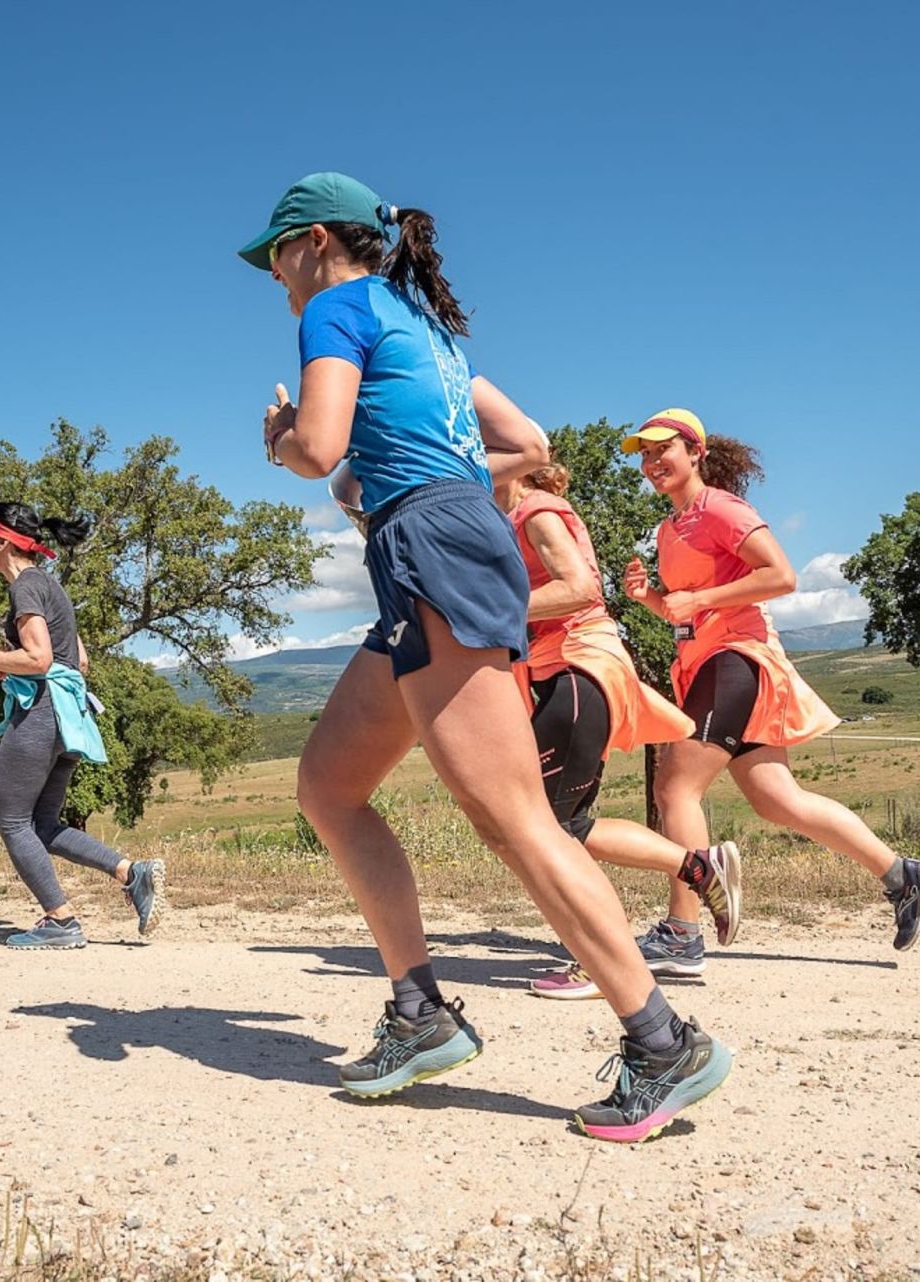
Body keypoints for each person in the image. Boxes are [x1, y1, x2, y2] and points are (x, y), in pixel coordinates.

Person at [240, 172, 730, 1142]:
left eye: (278, 254)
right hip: (441, 542)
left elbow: (319, 441)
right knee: (329, 786)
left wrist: (286, 443)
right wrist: (407, 477)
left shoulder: (337, 306)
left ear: (320, 241)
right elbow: (528, 440)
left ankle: (662, 1039)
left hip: (430, 552)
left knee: (517, 821)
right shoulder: (425, 325)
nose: (275, 276)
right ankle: (419, 1014)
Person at [619, 409, 920, 961]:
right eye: (644, 455)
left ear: (696, 452)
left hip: (735, 661)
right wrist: (651, 600)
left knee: (675, 788)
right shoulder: (671, 528)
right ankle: (902, 874)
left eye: (660, 449)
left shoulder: (721, 508)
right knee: (777, 800)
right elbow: (691, 612)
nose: (651, 463)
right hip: (708, 661)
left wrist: (698, 599)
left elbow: (780, 576)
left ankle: (682, 931)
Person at [492, 463, 741, 1000]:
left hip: (579, 672)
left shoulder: (535, 510)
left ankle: (602, 962)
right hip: (569, 676)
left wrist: (488, 608)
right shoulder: (513, 515)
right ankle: (697, 865)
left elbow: (580, 589)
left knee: (547, 831)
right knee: (566, 824)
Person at [0, 502, 167, 949]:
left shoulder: (25, 588)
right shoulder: (51, 586)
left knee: (11, 822)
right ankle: (132, 873)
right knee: (43, 825)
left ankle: (60, 920)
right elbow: (77, 660)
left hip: (41, 716)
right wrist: (8, 667)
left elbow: (40, 659)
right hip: (69, 717)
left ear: (3, 543)